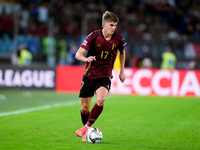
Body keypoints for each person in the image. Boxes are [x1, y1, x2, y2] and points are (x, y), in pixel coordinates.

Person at [75, 11, 127, 141]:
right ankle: (86, 132)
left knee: (100, 100)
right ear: (104, 24)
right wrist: (85, 59)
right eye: (111, 25)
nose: (113, 28)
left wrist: (121, 71)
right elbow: (78, 54)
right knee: (85, 108)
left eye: (115, 25)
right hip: (90, 74)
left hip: (105, 74)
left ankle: (86, 128)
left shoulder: (118, 39)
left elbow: (122, 52)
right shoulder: (94, 36)